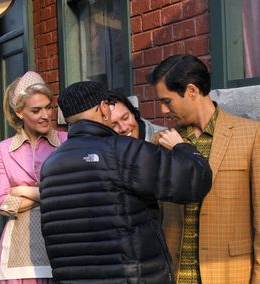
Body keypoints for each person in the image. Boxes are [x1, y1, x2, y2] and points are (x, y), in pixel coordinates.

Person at [39, 81, 213, 283]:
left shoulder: (50, 165)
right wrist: (182, 148)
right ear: (104, 107)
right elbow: (195, 181)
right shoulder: (124, 151)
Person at [147, 54, 260, 283]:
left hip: (230, 273)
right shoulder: (161, 141)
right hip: (175, 273)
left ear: (191, 91)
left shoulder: (251, 135)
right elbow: (154, 215)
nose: (163, 110)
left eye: (167, 101)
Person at [0, 71, 67, 283]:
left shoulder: (67, 142)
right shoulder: (3, 151)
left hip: (63, 239)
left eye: (49, 107)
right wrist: (50, 193)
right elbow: (4, 205)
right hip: (20, 247)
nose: (46, 115)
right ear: (20, 112)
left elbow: (71, 194)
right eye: (36, 110)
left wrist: (24, 190)